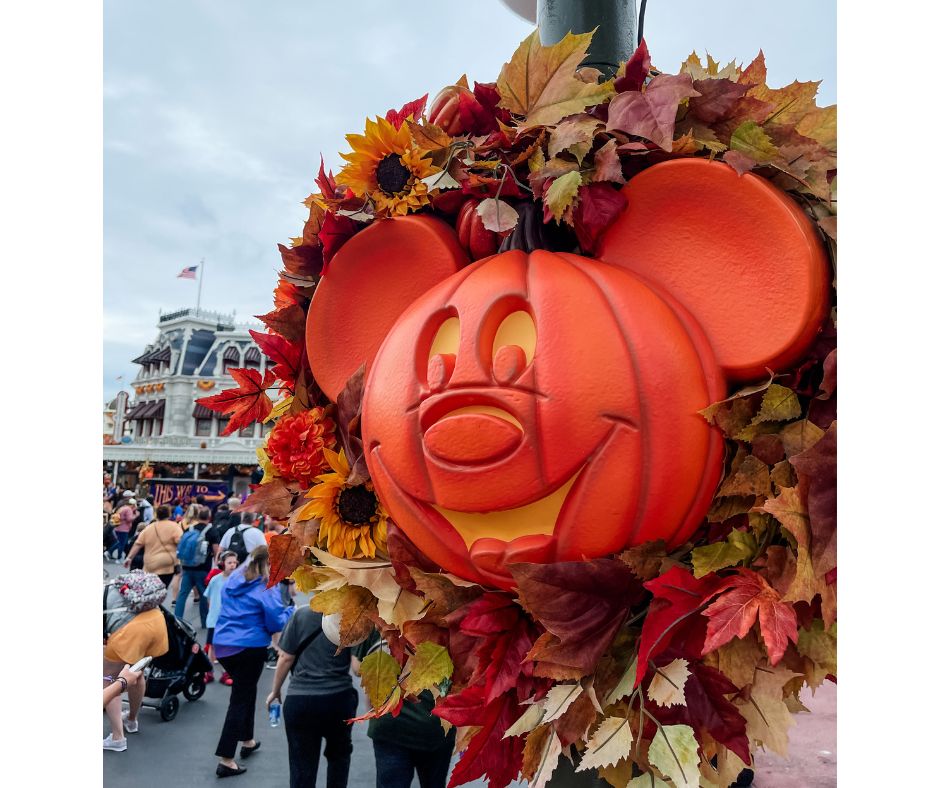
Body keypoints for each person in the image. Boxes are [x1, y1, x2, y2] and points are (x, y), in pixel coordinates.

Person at [212, 546, 291, 778]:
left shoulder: (234, 578)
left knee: (245, 691)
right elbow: (276, 623)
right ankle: (226, 758)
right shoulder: (266, 587)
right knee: (240, 698)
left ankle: (247, 740)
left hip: (224, 644)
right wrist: (290, 610)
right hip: (250, 646)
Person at [266, 606, 357, 788]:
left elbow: (285, 658)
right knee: (339, 758)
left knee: (302, 765)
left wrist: (275, 691)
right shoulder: (350, 615)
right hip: (339, 698)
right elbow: (357, 665)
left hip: (301, 699)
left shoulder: (301, 615)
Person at [354, 632, 456, 787]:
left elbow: (357, 667)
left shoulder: (382, 617)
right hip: (436, 728)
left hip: (390, 727)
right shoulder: (446, 621)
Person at [103, 571, 170, 752]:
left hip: (131, 631)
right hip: (156, 623)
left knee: (109, 680)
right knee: (136, 674)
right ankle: (132, 720)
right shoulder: (115, 585)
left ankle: (117, 738)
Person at [175, 505, 221, 628]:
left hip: (187, 566)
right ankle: (204, 622)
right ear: (209, 517)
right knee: (203, 595)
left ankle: (177, 619)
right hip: (203, 568)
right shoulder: (211, 531)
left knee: (183, 594)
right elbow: (216, 551)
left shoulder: (189, 529)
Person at [123, 505, 183, 586]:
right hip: (167, 564)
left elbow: (138, 543)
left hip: (150, 564)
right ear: (169, 514)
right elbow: (180, 542)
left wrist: (129, 558)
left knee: (150, 588)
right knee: (162, 587)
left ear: (156, 515)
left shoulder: (149, 528)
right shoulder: (174, 527)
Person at [204, 550, 239, 684]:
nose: (232, 565)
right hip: (214, 619)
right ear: (222, 563)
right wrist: (211, 612)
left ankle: (226, 673)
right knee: (211, 646)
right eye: (229, 562)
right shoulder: (216, 580)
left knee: (227, 646)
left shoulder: (237, 580)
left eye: (235, 562)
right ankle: (209, 671)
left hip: (230, 618)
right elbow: (209, 598)